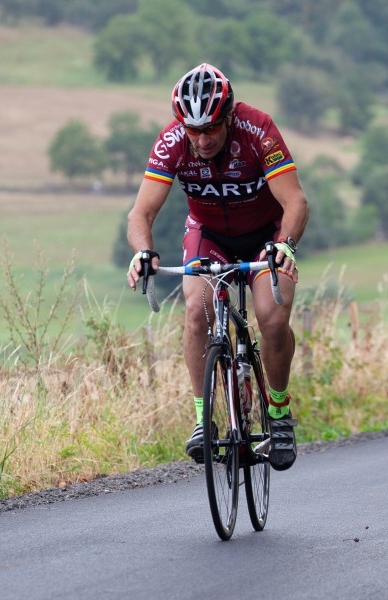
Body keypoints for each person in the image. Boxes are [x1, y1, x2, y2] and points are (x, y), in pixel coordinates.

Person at [126, 63, 309, 471]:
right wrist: (143, 251)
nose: (202, 139)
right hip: (209, 235)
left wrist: (286, 245)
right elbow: (140, 213)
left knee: (272, 319)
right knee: (196, 311)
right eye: (193, 130)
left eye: (210, 128)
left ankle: (279, 412)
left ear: (228, 117)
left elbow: (295, 201)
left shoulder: (258, 129)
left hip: (267, 234)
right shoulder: (173, 141)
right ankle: (202, 420)